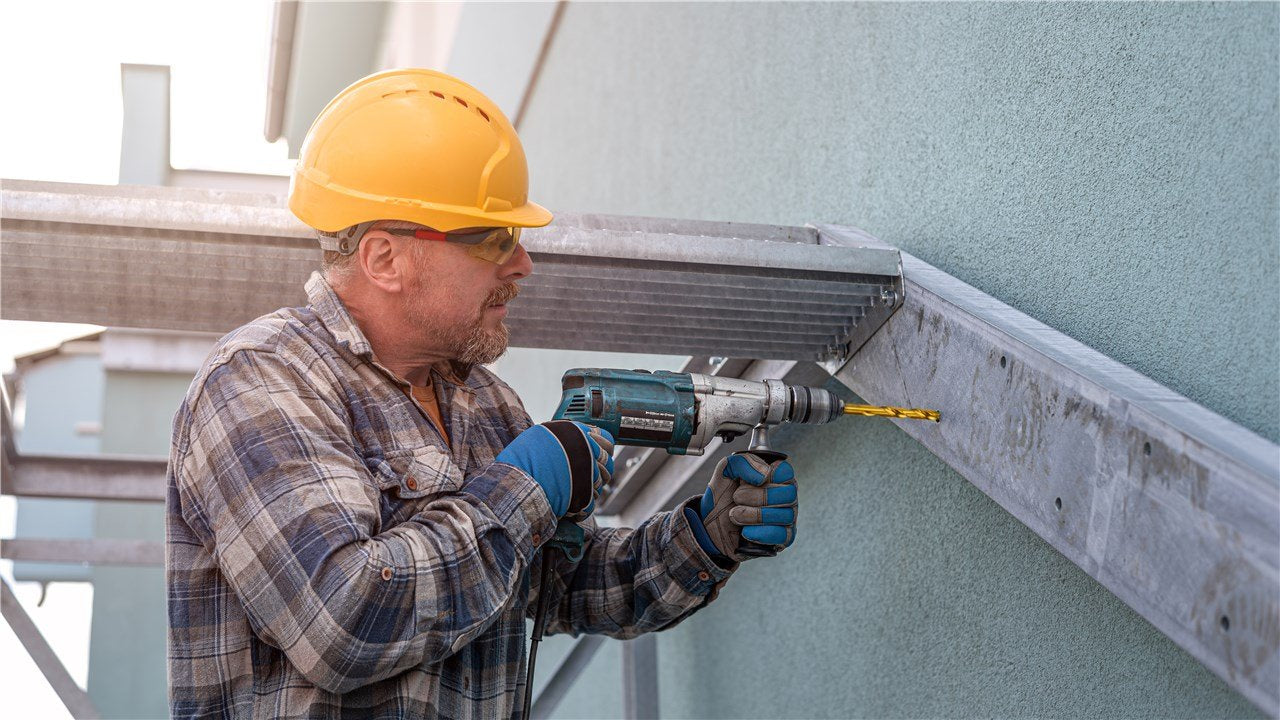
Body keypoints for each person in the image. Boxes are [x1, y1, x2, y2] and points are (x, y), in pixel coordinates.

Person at [165, 68, 798, 719]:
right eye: (493, 238)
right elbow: (343, 624)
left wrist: (706, 536)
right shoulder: (262, 380)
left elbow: (559, 588)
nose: (522, 264)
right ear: (384, 259)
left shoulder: (487, 404)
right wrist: (521, 489)